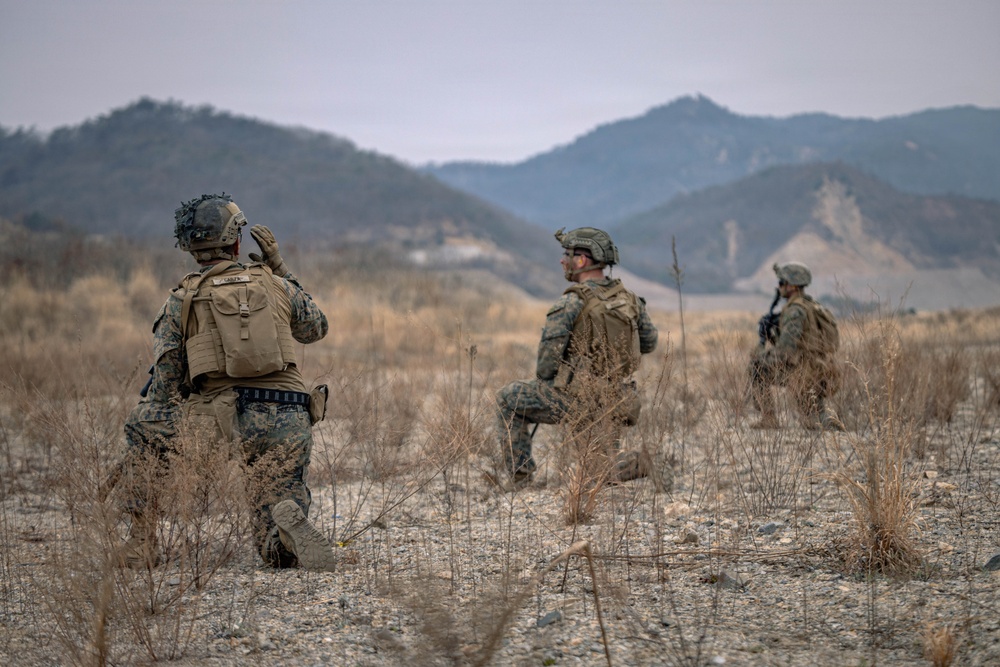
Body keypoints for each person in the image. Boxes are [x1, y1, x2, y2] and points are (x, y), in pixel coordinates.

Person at [119, 193, 336, 570]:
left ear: (191, 248)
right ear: (237, 241)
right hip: (288, 417)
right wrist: (280, 267)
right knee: (274, 542)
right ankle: (282, 536)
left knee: (144, 425)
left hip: (222, 419)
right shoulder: (275, 284)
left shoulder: (181, 299)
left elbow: (165, 386)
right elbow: (316, 327)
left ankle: (140, 543)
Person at [494, 227, 660, 488]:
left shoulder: (571, 302)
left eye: (567, 254)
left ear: (582, 260)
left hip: (578, 400)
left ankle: (521, 478)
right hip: (617, 399)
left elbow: (546, 367)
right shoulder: (630, 300)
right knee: (599, 474)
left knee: (508, 398)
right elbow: (649, 343)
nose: (563, 261)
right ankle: (642, 462)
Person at [747, 261, 845, 431]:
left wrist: (761, 350)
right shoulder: (812, 306)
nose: (779, 287)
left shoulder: (794, 311)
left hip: (803, 371)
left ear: (791, 286)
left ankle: (769, 419)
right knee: (813, 414)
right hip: (821, 368)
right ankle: (826, 419)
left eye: (781, 283)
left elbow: (784, 352)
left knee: (757, 367)